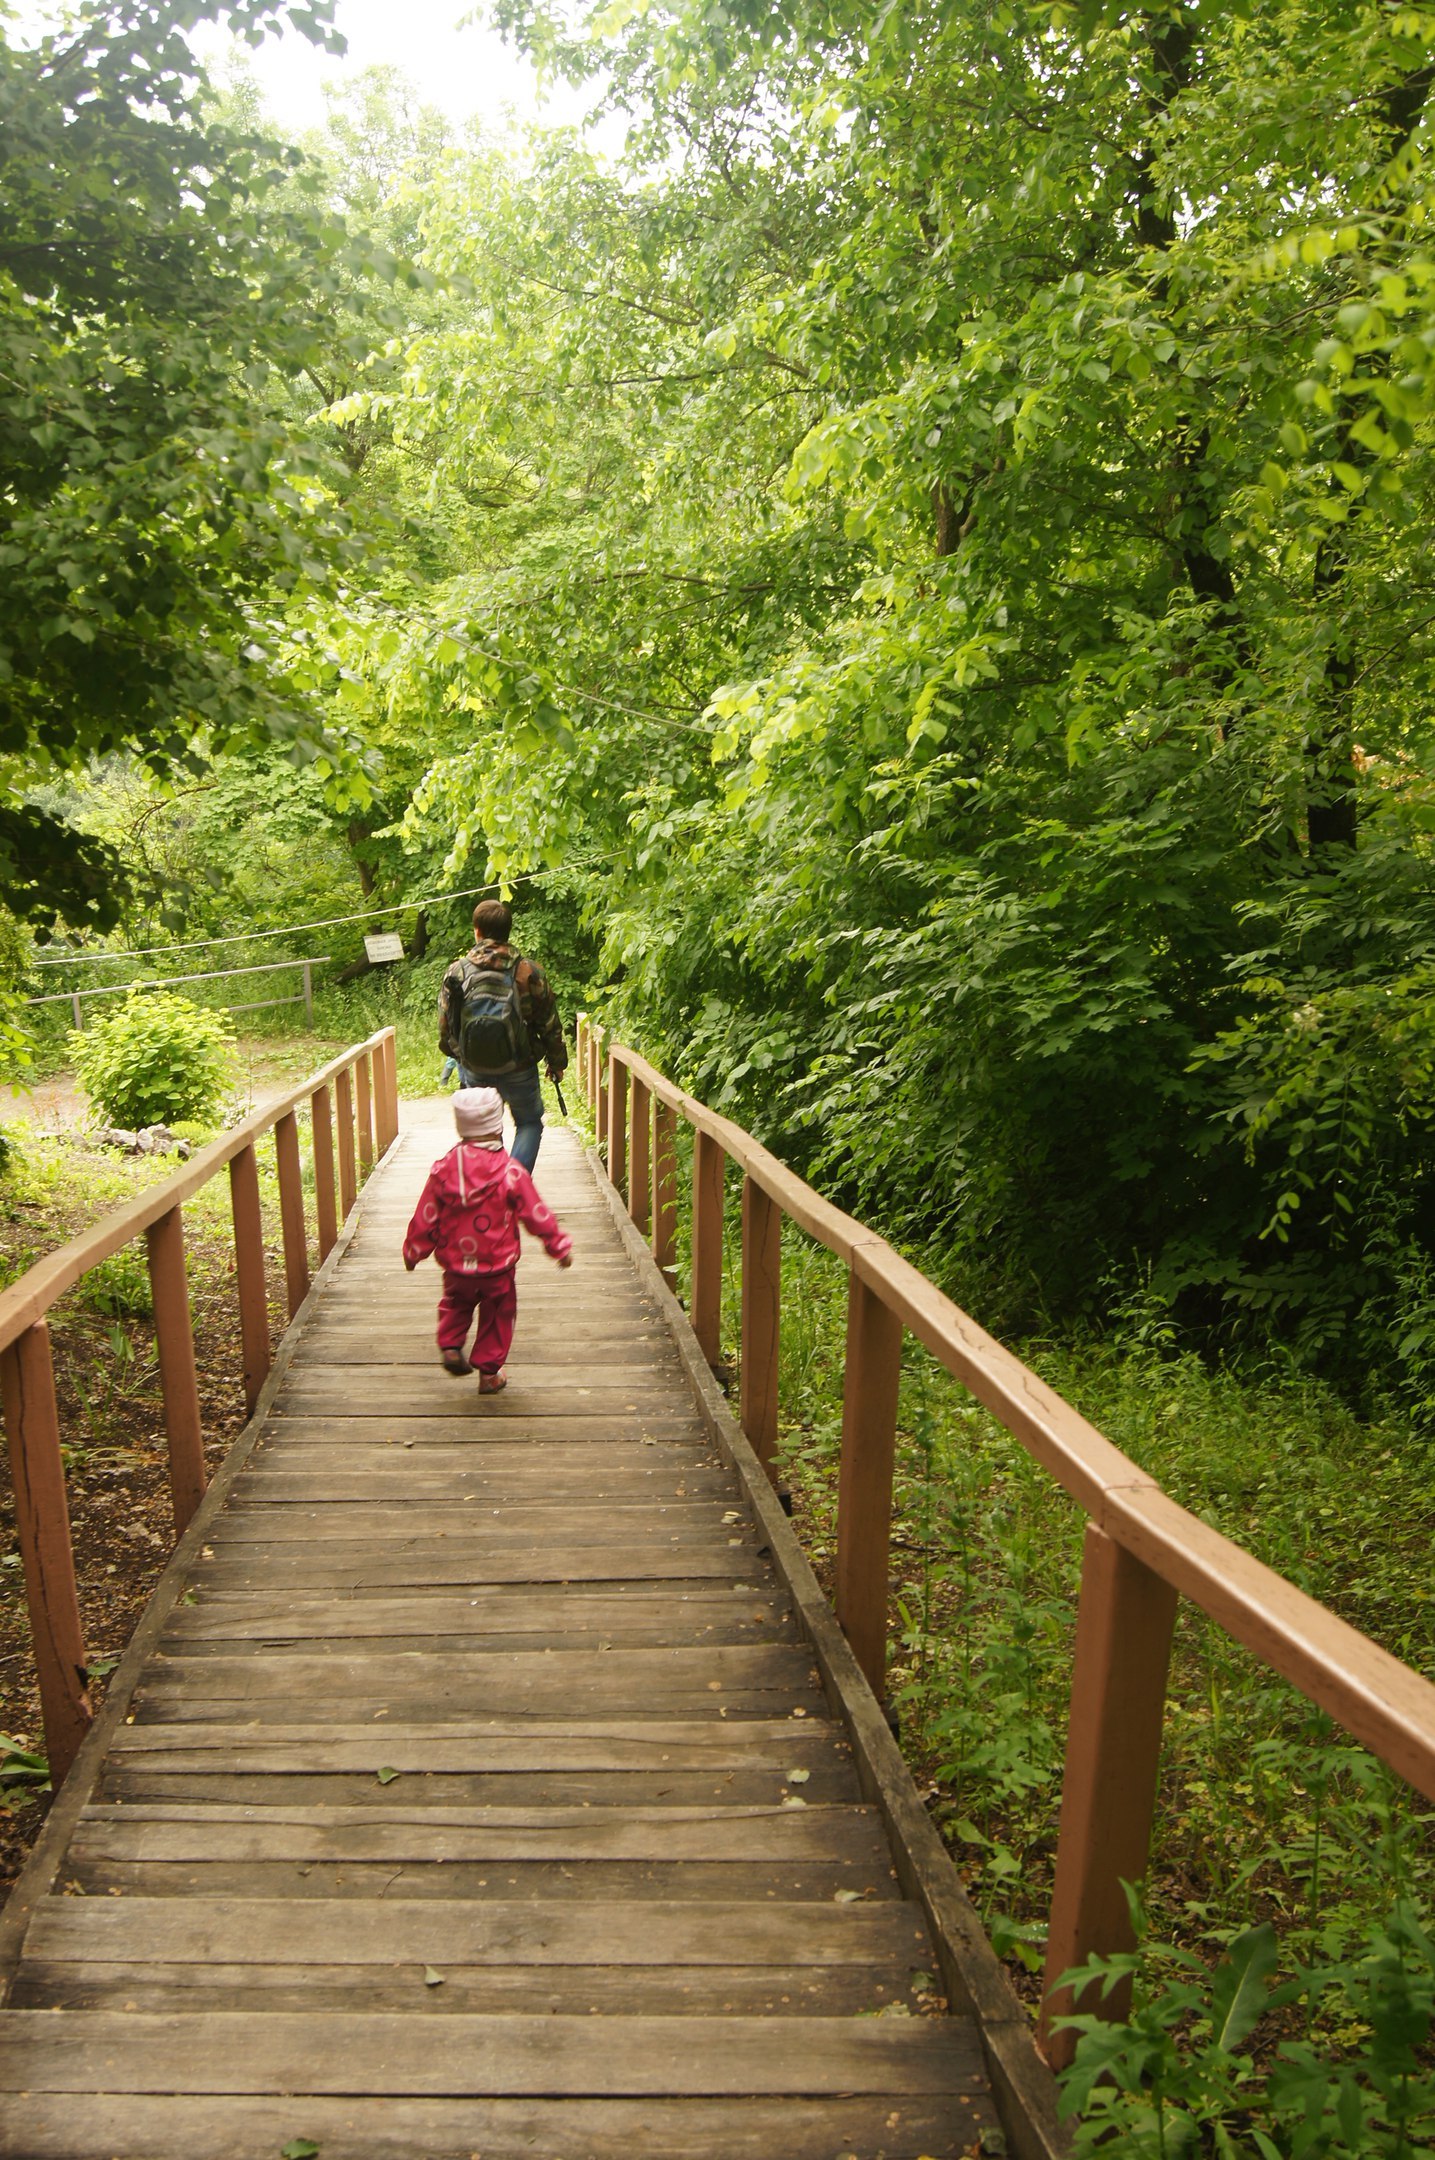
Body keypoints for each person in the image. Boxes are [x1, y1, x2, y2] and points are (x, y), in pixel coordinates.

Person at [402, 1086, 573, 1393]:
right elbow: (536, 1213)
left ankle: (451, 1345)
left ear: (461, 1126)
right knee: (497, 1315)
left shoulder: (443, 1170)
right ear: (498, 1125)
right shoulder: (511, 1172)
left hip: (457, 1266)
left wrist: (415, 1250)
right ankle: (489, 1375)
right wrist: (558, 1246)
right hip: (498, 1266)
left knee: (455, 1303)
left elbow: (426, 1214)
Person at [438, 897, 567, 1172]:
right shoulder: (528, 972)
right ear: (509, 931)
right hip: (519, 1064)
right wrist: (557, 1062)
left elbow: (445, 1027)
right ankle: (513, 1189)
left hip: (475, 1068)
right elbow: (549, 1023)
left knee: (481, 1132)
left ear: (477, 931)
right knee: (529, 1123)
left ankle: (488, 1191)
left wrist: (462, 1057)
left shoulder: (457, 972)